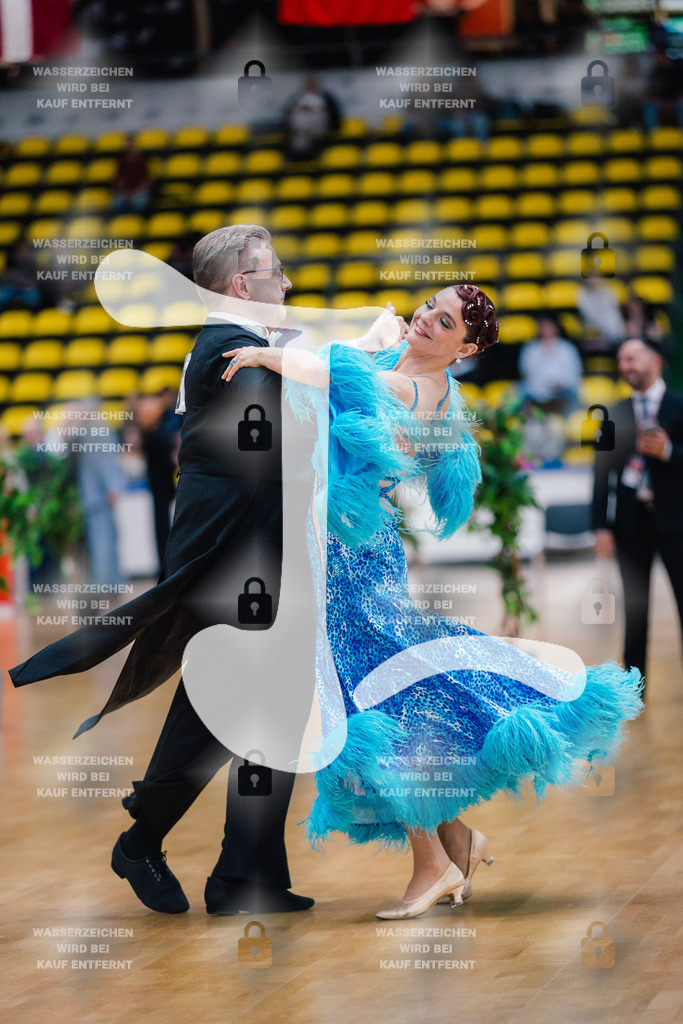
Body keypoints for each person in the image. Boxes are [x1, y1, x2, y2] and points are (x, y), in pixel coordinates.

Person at [222, 284, 644, 919]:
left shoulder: (411, 391)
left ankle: (432, 866)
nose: (424, 321)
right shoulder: (399, 369)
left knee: (377, 699)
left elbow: (329, 367)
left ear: (464, 347)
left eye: (443, 322)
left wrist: (263, 357)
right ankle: (454, 844)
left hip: (353, 566)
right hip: (343, 554)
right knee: (389, 690)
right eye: (427, 308)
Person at [10, 225, 315, 917]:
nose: (287, 283)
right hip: (229, 566)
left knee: (269, 715)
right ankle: (144, 839)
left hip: (253, 559)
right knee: (220, 713)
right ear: (243, 285)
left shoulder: (237, 347)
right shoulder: (232, 351)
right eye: (276, 273)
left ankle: (244, 873)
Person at [592, 336, 683, 688]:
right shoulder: (612, 413)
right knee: (635, 612)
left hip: (677, 523)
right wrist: (600, 525)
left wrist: (669, 451)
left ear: (655, 361)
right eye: (621, 360)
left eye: (632, 358)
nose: (625, 365)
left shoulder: (679, 405)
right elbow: (601, 475)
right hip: (630, 526)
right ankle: (634, 692)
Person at [518, 317, 583, 415]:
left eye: (549, 327)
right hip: (537, 389)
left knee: (576, 391)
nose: (547, 330)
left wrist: (561, 383)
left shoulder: (567, 348)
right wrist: (545, 384)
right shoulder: (530, 349)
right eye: (544, 327)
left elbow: (575, 371)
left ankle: (571, 422)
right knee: (518, 391)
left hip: (564, 388)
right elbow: (527, 371)